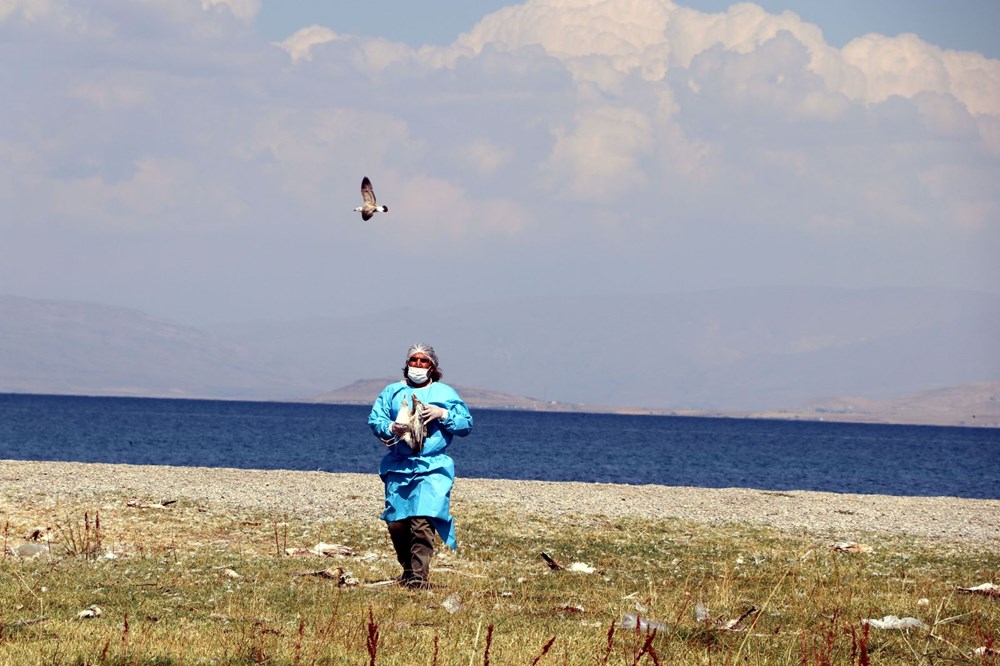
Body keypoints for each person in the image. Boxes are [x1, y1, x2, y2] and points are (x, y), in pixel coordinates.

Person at [368, 343, 473, 589]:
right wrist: (391, 427)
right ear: (407, 364)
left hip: (433, 465)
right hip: (399, 465)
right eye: (413, 360)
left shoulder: (445, 394)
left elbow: (466, 425)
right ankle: (407, 569)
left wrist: (443, 415)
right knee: (397, 522)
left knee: (423, 520)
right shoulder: (392, 392)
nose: (417, 365)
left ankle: (418, 577)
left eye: (423, 361)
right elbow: (376, 419)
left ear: (432, 366)